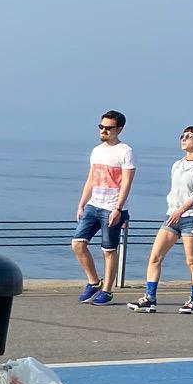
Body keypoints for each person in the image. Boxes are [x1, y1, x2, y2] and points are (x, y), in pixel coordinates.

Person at [128, 126, 193, 314]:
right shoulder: (177, 164)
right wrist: (174, 210)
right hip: (172, 216)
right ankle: (150, 299)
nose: (183, 139)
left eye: (188, 136)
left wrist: (182, 209)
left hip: (191, 217)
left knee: (192, 261)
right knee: (155, 257)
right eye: (182, 136)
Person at [71, 110, 133, 304]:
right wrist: (82, 203)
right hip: (93, 204)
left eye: (108, 128)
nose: (104, 131)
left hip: (112, 207)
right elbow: (92, 178)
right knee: (78, 244)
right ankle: (93, 282)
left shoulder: (125, 151)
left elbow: (127, 183)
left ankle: (107, 290)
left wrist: (118, 208)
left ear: (119, 129)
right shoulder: (97, 150)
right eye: (101, 127)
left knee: (108, 250)